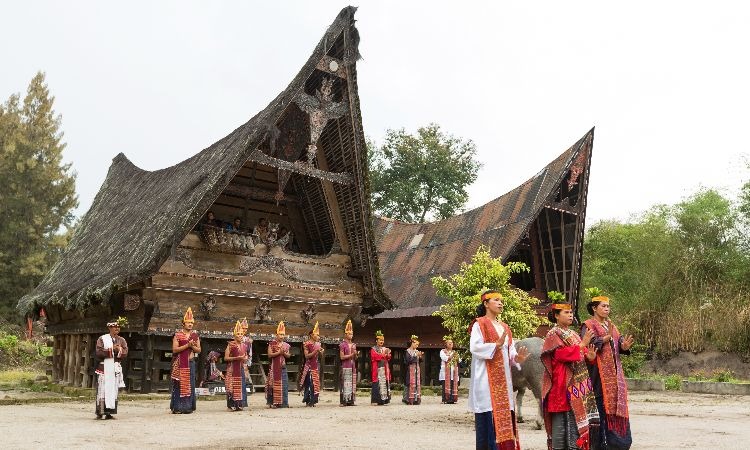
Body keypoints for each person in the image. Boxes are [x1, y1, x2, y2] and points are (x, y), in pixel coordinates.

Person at [468, 290, 529, 450]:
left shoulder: (504, 327)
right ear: (486, 303)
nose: (501, 303)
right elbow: (474, 347)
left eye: (501, 300)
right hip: (486, 382)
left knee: (505, 416)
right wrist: (495, 345)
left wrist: (517, 358)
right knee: (489, 417)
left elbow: (510, 352)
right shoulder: (479, 324)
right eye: (496, 300)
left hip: (504, 382)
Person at [541, 302, 598, 450]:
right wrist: (582, 345)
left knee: (575, 426)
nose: (570, 315)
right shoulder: (553, 334)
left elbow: (582, 355)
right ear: (556, 316)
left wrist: (590, 357)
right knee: (560, 429)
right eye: (566, 312)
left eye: (571, 312)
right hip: (561, 385)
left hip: (576, 388)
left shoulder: (573, 334)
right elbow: (560, 355)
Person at [581, 293, 634, 450]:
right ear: (594, 308)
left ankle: (619, 443)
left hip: (615, 379)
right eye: (603, 306)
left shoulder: (612, 326)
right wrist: (605, 338)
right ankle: (601, 444)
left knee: (616, 408)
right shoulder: (588, 325)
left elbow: (619, 342)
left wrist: (624, 346)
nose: (606, 309)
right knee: (600, 408)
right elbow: (586, 345)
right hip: (598, 376)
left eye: (608, 306)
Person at [94, 318, 128, 419]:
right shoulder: (102, 339)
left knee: (113, 390)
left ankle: (109, 413)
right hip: (104, 367)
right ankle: (100, 412)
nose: (117, 328)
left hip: (115, 368)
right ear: (109, 327)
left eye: (118, 326)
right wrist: (112, 349)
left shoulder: (122, 340)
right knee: (102, 390)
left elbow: (125, 352)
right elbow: (99, 352)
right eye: (115, 326)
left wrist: (119, 349)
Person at [171, 307, 201, 414]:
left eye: (191, 323)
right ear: (183, 323)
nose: (190, 324)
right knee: (179, 384)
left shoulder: (195, 335)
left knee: (190, 384)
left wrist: (192, 347)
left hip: (191, 362)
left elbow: (199, 350)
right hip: (180, 362)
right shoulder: (178, 335)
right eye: (188, 322)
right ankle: (177, 407)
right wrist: (187, 345)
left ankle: (188, 407)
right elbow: (174, 350)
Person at [224, 321, 248, 412]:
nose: (240, 335)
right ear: (234, 335)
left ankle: (239, 404)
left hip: (241, 368)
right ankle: (231, 405)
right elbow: (226, 358)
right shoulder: (230, 345)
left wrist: (244, 359)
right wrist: (236, 358)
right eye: (238, 334)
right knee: (232, 386)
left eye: (241, 334)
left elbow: (245, 357)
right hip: (232, 368)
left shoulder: (244, 346)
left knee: (240, 386)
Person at [266, 321, 291, 408]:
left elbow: (288, 355)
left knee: (284, 385)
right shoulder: (272, 344)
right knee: (274, 385)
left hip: (283, 367)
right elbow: (269, 355)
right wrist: (279, 352)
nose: (282, 336)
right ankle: (274, 403)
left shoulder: (286, 345)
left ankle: (284, 403)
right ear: (276, 335)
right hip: (274, 367)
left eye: (283, 334)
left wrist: (283, 353)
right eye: (280, 334)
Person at [300, 321, 324, 407]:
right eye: (316, 335)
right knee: (309, 384)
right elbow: (307, 356)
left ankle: (313, 401)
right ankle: (308, 400)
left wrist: (321, 352)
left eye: (318, 335)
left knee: (315, 384)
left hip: (315, 366)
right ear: (311, 335)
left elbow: (319, 356)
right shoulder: (306, 344)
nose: (318, 336)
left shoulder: (318, 344)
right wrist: (315, 351)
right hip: (309, 366)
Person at [370, 330, 392, 405]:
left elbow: (388, 358)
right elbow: (375, 357)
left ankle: (384, 400)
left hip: (384, 369)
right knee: (377, 384)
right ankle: (375, 400)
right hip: (377, 369)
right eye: (380, 340)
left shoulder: (385, 348)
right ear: (376, 341)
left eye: (383, 340)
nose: (382, 341)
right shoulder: (373, 349)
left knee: (384, 383)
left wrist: (388, 354)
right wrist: (384, 354)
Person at [339, 319, 357, 406]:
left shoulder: (354, 345)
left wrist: (356, 355)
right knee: (345, 382)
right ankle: (344, 401)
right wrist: (351, 355)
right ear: (346, 334)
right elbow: (342, 357)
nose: (351, 335)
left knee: (352, 382)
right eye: (350, 333)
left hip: (352, 365)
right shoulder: (342, 345)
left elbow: (355, 357)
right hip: (346, 365)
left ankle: (351, 400)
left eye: (352, 333)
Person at [402, 334, 423, 405]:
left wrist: (420, 357)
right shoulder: (407, 351)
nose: (417, 346)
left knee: (417, 383)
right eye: (416, 344)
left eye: (418, 345)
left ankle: (416, 399)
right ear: (412, 343)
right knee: (409, 383)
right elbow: (408, 360)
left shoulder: (416, 351)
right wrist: (415, 355)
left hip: (416, 370)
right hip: (409, 370)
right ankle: (408, 399)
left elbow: (419, 361)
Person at [440, 337, 460, 404]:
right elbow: (445, 358)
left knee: (453, 384)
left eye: (452, 343)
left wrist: (456, 357)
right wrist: (452, 356)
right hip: (446, 372)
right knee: (445, 384)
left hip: (453, 371)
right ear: (446, 344)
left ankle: (453, 399)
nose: (451, 344)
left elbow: (459, 360)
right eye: (449, 343)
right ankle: (446, 399)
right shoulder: (442, 351)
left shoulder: (455, 352)